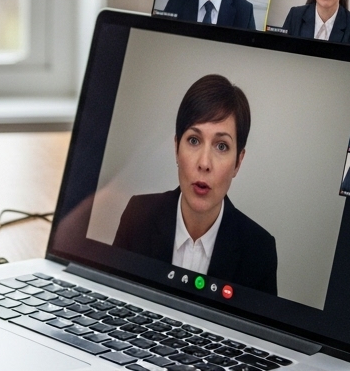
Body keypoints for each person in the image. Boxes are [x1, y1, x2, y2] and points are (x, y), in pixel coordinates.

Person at [112, 74, 278, 295]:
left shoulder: (260, 251)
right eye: (193, 140)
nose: (204, 163)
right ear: (176, 148)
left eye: (221, 146)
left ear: (238, 162)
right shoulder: (137, 215)